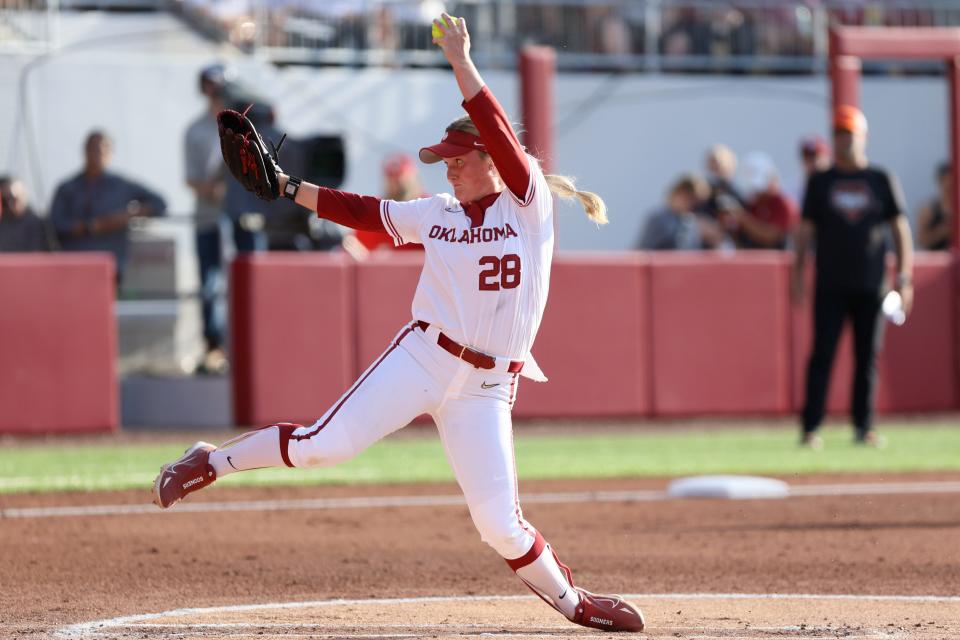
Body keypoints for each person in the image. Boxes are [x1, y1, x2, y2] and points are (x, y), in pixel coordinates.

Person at [152, 14, 645, 634]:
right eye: (444, 161)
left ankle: (577, 604)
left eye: (458, 159)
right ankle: (210, 462)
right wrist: (288, 187)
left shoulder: (529, 208)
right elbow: (363, 210)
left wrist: (461, 61)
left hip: (489, 390)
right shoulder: (436, 212)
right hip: (423, 358)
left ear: (493, 160)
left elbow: (494, 125)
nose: (448, 168)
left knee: (499, 523)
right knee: (319, 448)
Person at [792, 105, 914, 449]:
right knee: (822, 355)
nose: (844, 141)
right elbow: (804, 231)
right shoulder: (821, 181)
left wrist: (904, 277)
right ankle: (811, 427)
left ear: (863, 137)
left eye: (850, 134)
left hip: (871, 284)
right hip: (830, 283)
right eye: (839, 135)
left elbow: (900, 229)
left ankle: (864, 426)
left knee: (867, 357)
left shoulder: (880, 178)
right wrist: (797, 272)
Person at [50, 131, 166, 284]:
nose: (98, 153)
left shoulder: (121, 186)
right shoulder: (68, 187)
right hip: (74, 265)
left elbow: (160, 203)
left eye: (103, 149)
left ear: (110, 153)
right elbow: (54, 224)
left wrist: (128, 215)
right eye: (93, 148)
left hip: (111, 267)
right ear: (85, 151)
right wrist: (90, 227)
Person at [185, 64, 230, 374]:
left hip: (241, 220)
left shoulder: (244, 125)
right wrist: (216, 189)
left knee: (246, 282)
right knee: (210, 285)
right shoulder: (195, 130)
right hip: (208, 219)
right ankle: (214, 346)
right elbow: (191, 179)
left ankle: (244, 344)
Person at [346, 153, 427, 255]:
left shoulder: (429, 209)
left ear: (413, 177)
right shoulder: (376, 211)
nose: (396, 183)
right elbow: (357, 246)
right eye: (391, 177)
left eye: (401, 178)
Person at [718, 152, 799, 250]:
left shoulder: (784, 204)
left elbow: (771, 236)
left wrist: (742, 218)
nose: (757, 192)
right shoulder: (753, 204)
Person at [638, 173, 713, 250]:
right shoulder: (658, 219)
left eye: (697, 203)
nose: (692, 206)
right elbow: (642, 251)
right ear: (678, 194)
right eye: (689, 199)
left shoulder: (691, 222)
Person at [0, 176, 55, 252]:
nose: (10, 204)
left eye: (14, 198)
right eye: (4, 201)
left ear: (23, 195)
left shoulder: (38, 225)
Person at [915, 162, 953, 251]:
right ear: (940, 182)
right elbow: (921, 240)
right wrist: (943, 231)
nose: (949, 187)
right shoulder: (928, 209)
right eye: (946, 182)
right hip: (937, 259)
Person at [793, 135, 830, 205]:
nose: (813, 163)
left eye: (817, 157)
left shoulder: (836, 184)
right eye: (808, 159)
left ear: (827, 158)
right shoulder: (793, 189)